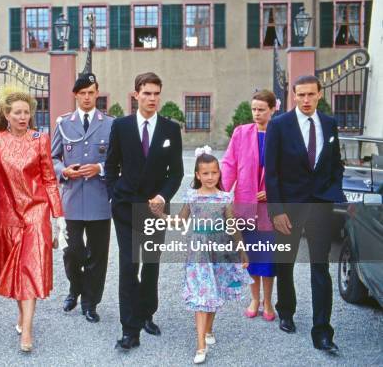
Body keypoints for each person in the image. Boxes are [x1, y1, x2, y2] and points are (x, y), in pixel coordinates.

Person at [0, 86, 64, 353]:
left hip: (36, 212)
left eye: (27, 112)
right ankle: (22, 314)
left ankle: (28, 331)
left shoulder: (40, 138)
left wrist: (59, 216)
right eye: (18, 113)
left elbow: (49, 178)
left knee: (30, 267)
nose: (23, 117)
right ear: (7, 115)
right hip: (8, 214)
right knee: (14, 269)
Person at [265, 75, 345, 353]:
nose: (306, 100)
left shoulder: (329, 124)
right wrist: (276, 212)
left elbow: (336, 167)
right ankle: (286, 310)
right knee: (285, 263)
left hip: (321, 206)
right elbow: (271, 173)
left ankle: (322, 332)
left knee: (320, 267)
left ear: (320, 94)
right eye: (301, 95)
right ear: (294, 97)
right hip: (289, 207)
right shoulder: (279, 126)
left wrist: (335, 197)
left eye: (311, 95)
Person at [105, 72, 184, 351]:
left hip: (155, 211)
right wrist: (114, 194)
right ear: (136, 94)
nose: (152, 98)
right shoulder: (121, 126)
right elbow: (110, 165)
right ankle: (130, 329)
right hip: (126, 207)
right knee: (129, 265)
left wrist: (162, 196)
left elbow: (176, 173)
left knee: (150, 266)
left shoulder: (170, 130)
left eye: (156, 93)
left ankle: (147, 313)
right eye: (147, 93)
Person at [178, 147, 251, 364]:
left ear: (219, 174)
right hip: (198, 253)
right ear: (197, 175)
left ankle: (209, 329)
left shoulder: (224, 198)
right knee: (202, 295)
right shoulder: (191, 196)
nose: (210, 177)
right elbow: (180, 220)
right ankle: (200, 346)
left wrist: (242, 251)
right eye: (205, 173)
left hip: (221, 251)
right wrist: (159, 214)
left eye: (214, 173)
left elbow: (232, 226)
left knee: (215, 290)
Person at [50, 73, 114, 323]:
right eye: (82, 93)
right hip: (72, 200)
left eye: (91, 92)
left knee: (98, 255)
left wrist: (100, 168)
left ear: (97, 93)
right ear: (75, 95)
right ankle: (75, 288)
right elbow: (52, 158)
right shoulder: (64, 123)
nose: (87, 97)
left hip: (99, 198)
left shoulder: (110, 124)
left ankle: (90, 302)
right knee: (72, 252)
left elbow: (116, 160)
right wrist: (62, 171)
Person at [221, 90, 277, 321]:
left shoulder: (280, 134)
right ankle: (254, 299)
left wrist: (274, 191)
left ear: (273, 109)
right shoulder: (241, 133)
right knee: (251, 255)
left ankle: (268, 301)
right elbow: (229, 164)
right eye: (253, 109)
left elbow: (291, 170)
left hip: (272, 208)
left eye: (261, 109)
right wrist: (221, 194)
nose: (256, 113)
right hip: (245, 203)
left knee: (269, 257)